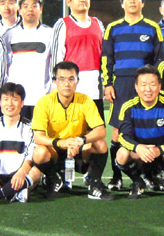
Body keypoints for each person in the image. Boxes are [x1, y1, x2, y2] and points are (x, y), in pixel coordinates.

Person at [102, 0, 162, 189]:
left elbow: (159, 60)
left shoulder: (153, 28)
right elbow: (107, 58)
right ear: (122, 3)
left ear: (143, 3)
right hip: (122, 83)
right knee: (118, 131)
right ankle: (116, 177)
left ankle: (147, 174)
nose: (133, 1)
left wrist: (156, 85)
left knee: (145, 128)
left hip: (145, 85)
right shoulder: (113, 28)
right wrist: (108, 84)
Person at [30, 61, 113, 201]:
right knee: (39, 153)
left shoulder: (85, 101)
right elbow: (38, 137)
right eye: (62, 79)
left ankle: (94, 185)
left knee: (100, 144)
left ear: (77, 81)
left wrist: (80, 141)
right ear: (55, 81)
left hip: (77, 150)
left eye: (71, 79)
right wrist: (61, 143)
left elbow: (101, 131)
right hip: (56, 150)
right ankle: (54, 180)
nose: (66, 84)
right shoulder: (44, 102)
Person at [115, 65, 164, 199]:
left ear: (159, 86)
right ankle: (137, 182)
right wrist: (138, 147)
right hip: (139, 154)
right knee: (122, 154)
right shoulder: (128, 107)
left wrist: (160, 149)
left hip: (161, 153)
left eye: (153, 84)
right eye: (143, 85)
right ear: (136, 87)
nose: (148, 89)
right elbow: (123, 136)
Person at [0, 82, 41, 204]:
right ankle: (16, 193)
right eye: (5, 99)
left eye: (15, 99)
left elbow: (29, 157)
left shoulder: (29, 127)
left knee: (36, 172)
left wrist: (21, 173)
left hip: (19, 175)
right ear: (0, 103)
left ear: (22, 103)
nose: (10, 104)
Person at [51, 0, 105, 116]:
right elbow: (56, 56)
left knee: (96, 125)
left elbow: (104, 54)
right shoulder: (62, 24)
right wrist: (56, 83)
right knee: (73, 125)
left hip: (95, 85)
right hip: (71, 84)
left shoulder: (98, 23)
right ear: (68, 1)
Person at [3, 0, 53, 121]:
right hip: (17, 98)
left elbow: (54, 64)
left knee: (41, 132)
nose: (30, 9)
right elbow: (5, 65)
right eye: (25, 6)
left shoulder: (50, 34)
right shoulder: (9, 35)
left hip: (42, 96)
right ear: (19, 10)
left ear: (40, 9)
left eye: (34, 6)